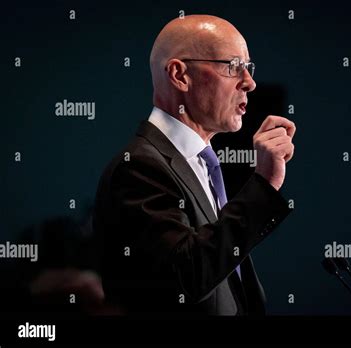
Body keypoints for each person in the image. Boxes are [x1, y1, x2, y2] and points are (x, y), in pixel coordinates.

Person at [93, 14, 296, 316]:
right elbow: (185, 275)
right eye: (233, 66)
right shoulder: (138, 167)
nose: (250, 82)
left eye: (248, 67)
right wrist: (264, 184)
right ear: (179, 75)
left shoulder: (201, 165)